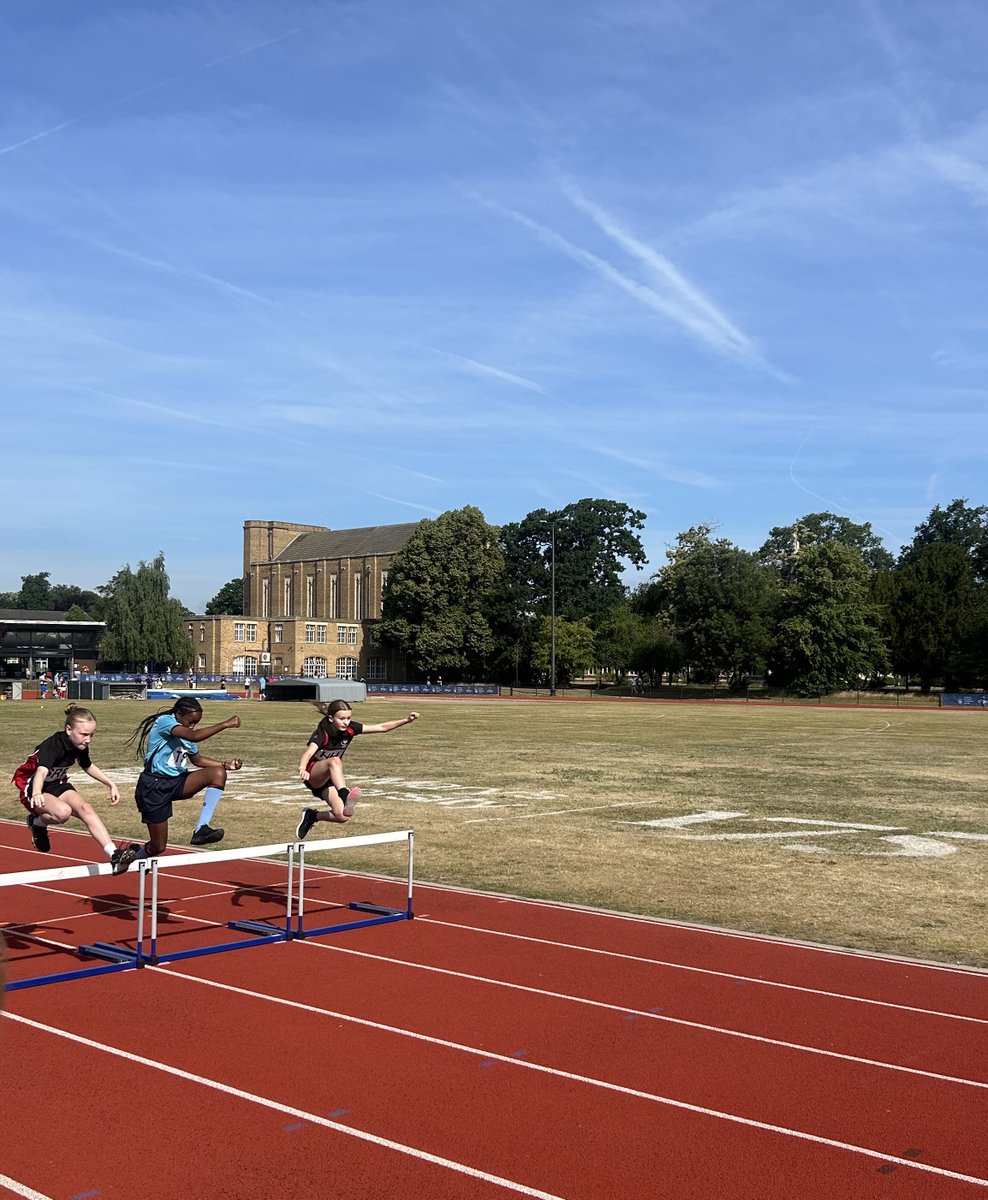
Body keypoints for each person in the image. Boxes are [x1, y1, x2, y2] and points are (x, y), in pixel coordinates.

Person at [12, 704, 139, 874]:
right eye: (84, 734)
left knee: (86, 809)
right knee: (63, 812)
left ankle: (114, 854)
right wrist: (36, 793)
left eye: (92, 735)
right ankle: (36, 823)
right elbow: (42, 771)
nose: (88, 740)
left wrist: (111, 784)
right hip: (33, 786)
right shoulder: (53, 745)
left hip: (57, 784)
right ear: (68, 729)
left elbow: (87, 766)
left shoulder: (80, 745)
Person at [124, 698, 243, 857]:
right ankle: (133, 856)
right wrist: (224, 724)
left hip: (176, 782)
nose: (192, 726)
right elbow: (193, 736)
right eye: (190, 722)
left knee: (218, 772)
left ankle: (201, 828)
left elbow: (198, 760)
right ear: (178, 714)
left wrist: (225, 765)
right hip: (154, 786)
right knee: (158, 846)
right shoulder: (165, 722)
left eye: (196, 723)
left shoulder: (187, 734)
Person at [295, 700, 419, 838]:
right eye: (341, 719)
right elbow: (309, 752)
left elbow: (381, 727)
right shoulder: (323, 732)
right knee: (335, 761)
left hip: (329, 780)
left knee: (342, 816)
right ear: (331, 718)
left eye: (348, 718)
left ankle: (312, 816)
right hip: (313, 774)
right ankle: (344, 794)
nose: (346, 722)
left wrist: (406, 720)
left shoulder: (350, 729)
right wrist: (302, 768)